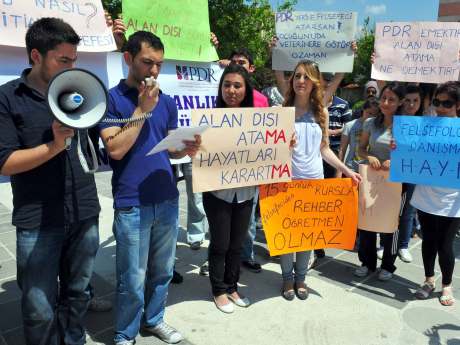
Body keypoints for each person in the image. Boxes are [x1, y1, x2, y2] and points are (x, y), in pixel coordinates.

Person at [0, 18, 100, 344]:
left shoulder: (77, 91)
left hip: (83, 210)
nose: (72, 67)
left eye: (74, 60)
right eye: (63, 60)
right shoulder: (8, 98)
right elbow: (6, 164)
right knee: (38, 306)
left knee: (78, 293)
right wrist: (54, 146)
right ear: (36, 56)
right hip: (38, 220)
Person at [99, 31, 200, 344]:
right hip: (131, 202)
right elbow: (115, 150)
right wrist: (142, 109)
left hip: (167, 198)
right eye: (147, 62)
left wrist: (187, 148)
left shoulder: (166, 103)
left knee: (162, 270)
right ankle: (125, 332)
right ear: (128, 59)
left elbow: (170, 150)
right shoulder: (110, 99)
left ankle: (154, 320)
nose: (154, 71)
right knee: (132, 277)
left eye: (159, 64)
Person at [279, 60, 361, 300]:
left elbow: (325, 149)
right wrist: (284, 146)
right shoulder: (282, 112)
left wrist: (346, 169)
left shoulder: (321, 112)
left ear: (314, 82)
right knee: (288, 235)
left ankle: (301, 278)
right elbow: (273, 149)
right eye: (296, 76)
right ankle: (286, 279)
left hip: (313, 181)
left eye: (306, 77)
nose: (300, 81)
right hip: (288, 181)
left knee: (306, 235)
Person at [204, 63, 256, 313]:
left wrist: (284, 143)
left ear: (246, 90)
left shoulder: (259, 121)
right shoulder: (208, 118)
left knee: (237, 244)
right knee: (220, 244)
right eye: (227, 84)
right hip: (217, 194)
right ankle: (218, 290)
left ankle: (232, 286)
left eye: (237, 85)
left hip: (245, 193)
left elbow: (268, 151)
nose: (232, 90)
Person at [412, 81, 460, 306]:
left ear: (457, 105)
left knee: (446, 244)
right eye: (437, 102)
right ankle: (429, 280)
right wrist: (399, 147)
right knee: (428, 241)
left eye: (447, 103)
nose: (441, 107)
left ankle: (447, 285)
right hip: (426, 194)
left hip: (453, 199)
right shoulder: (424, 126)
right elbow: (411, 151)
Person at [355, 82, 407, 281]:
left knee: (392, 225)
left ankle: (388, 265)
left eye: (391, 99)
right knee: (367, 221)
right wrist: (369, 157)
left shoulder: (407, 126)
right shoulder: (370, 123)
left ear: (401, 102)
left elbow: (413, 156)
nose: (385, 102)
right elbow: (360, 149)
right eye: (383, 98)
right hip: (372, 180)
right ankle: (367, 262)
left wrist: (396, 161)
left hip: (397, 183)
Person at [396, 84, 425, 264]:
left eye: (415, 101)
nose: (411, 104)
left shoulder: (425, 123)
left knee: (408, 210)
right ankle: (385, 244)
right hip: (393, 171)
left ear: (421, 102)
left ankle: (403, 245)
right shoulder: (393, 118)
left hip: (414, 172)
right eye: (408, 100)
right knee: (390, 208)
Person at [337, 97, 379, 174]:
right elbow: (342, 150)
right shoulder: (350, 125)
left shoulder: (378, 128)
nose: (371, 117)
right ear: (363, 109)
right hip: (351, 169)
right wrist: (339, 172)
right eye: (369, 113)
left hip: (370, 170)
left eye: (374, 115)